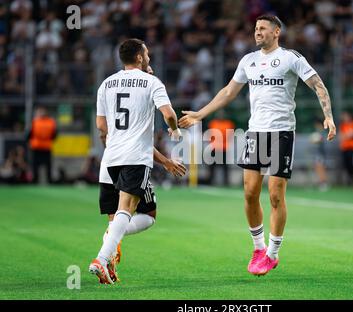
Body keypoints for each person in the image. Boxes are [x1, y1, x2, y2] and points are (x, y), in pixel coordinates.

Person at [179, 14, 336, 276]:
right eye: (255, 28)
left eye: (263, 28)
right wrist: (199, 114)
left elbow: (317, 84)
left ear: (277, 32)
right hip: (255, 133)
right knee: (250, 192)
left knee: (275, 194)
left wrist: (328, 116)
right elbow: (229, 92)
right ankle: (258, 248)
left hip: (282, 132)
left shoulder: (290, 58)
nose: (257, 32)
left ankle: (272, 254)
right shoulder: (248, 61)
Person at [89, 38, 183, 284]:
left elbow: (101, 126)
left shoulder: (106, 84)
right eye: (147, 54)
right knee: (133, 211)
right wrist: (174, 130)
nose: (149, 58)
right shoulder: (152, 82)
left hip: (110, 157)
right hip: (135, 158)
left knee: (117, 217)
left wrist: (110, 146)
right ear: (140, 57)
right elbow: (169, 114)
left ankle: (108, 262)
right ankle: (101, 258)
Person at [27, 106, 57, 184]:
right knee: (36, 166)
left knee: (46, 165)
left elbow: (54, 134)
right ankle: (37, 180)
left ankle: (47, 180)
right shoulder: (36, 122)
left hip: (44, 147)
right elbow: (30, 134)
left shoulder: (47, 122)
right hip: (38, 147)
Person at [207, 110, 235, 186]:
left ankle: (226, 182)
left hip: (223, 148)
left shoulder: (228, 124)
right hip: (214, 148)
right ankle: (210, 181)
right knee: (212, 166)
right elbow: (210, 135)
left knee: (225, 167)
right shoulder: (213, 123)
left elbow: (230, 135)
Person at [339, 111, 353, 185]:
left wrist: (346, 136)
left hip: (352, 146)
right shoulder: (343, 125)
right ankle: (349, 178)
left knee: (350, 162)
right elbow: (341, 136)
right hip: (344, 146)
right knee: (346, 163)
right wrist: (347, 136)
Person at [309, 118, 329, 191]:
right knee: (318, 168)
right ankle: (321, 182)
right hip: (317, 154)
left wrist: (315, 140)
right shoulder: (318, 132)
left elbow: (320, 141)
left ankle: (324, 183)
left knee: (321, 168)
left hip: (320, 154)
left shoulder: (322, 132)